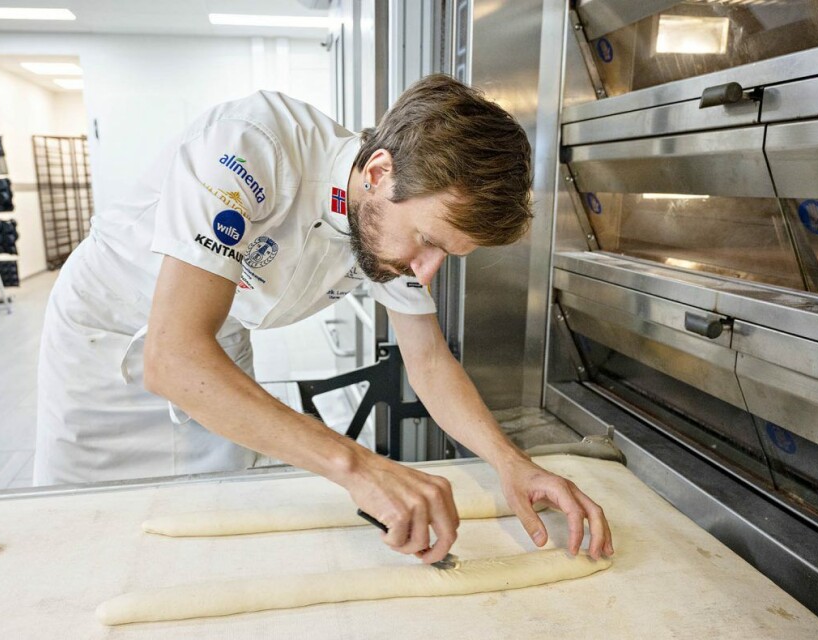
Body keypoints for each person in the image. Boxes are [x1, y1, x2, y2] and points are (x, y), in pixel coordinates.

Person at [34, 74, 613, 564]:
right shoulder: (252, 146)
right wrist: (360, 468)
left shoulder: (389, 222)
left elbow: (429, 360)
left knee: (211, 529)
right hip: (104, 340)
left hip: (218, 339)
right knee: (87, 534)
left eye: (445, 255)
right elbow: (173, 356)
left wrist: (512, 463)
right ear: (379, 171)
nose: (426, 272)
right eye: (427, 242)